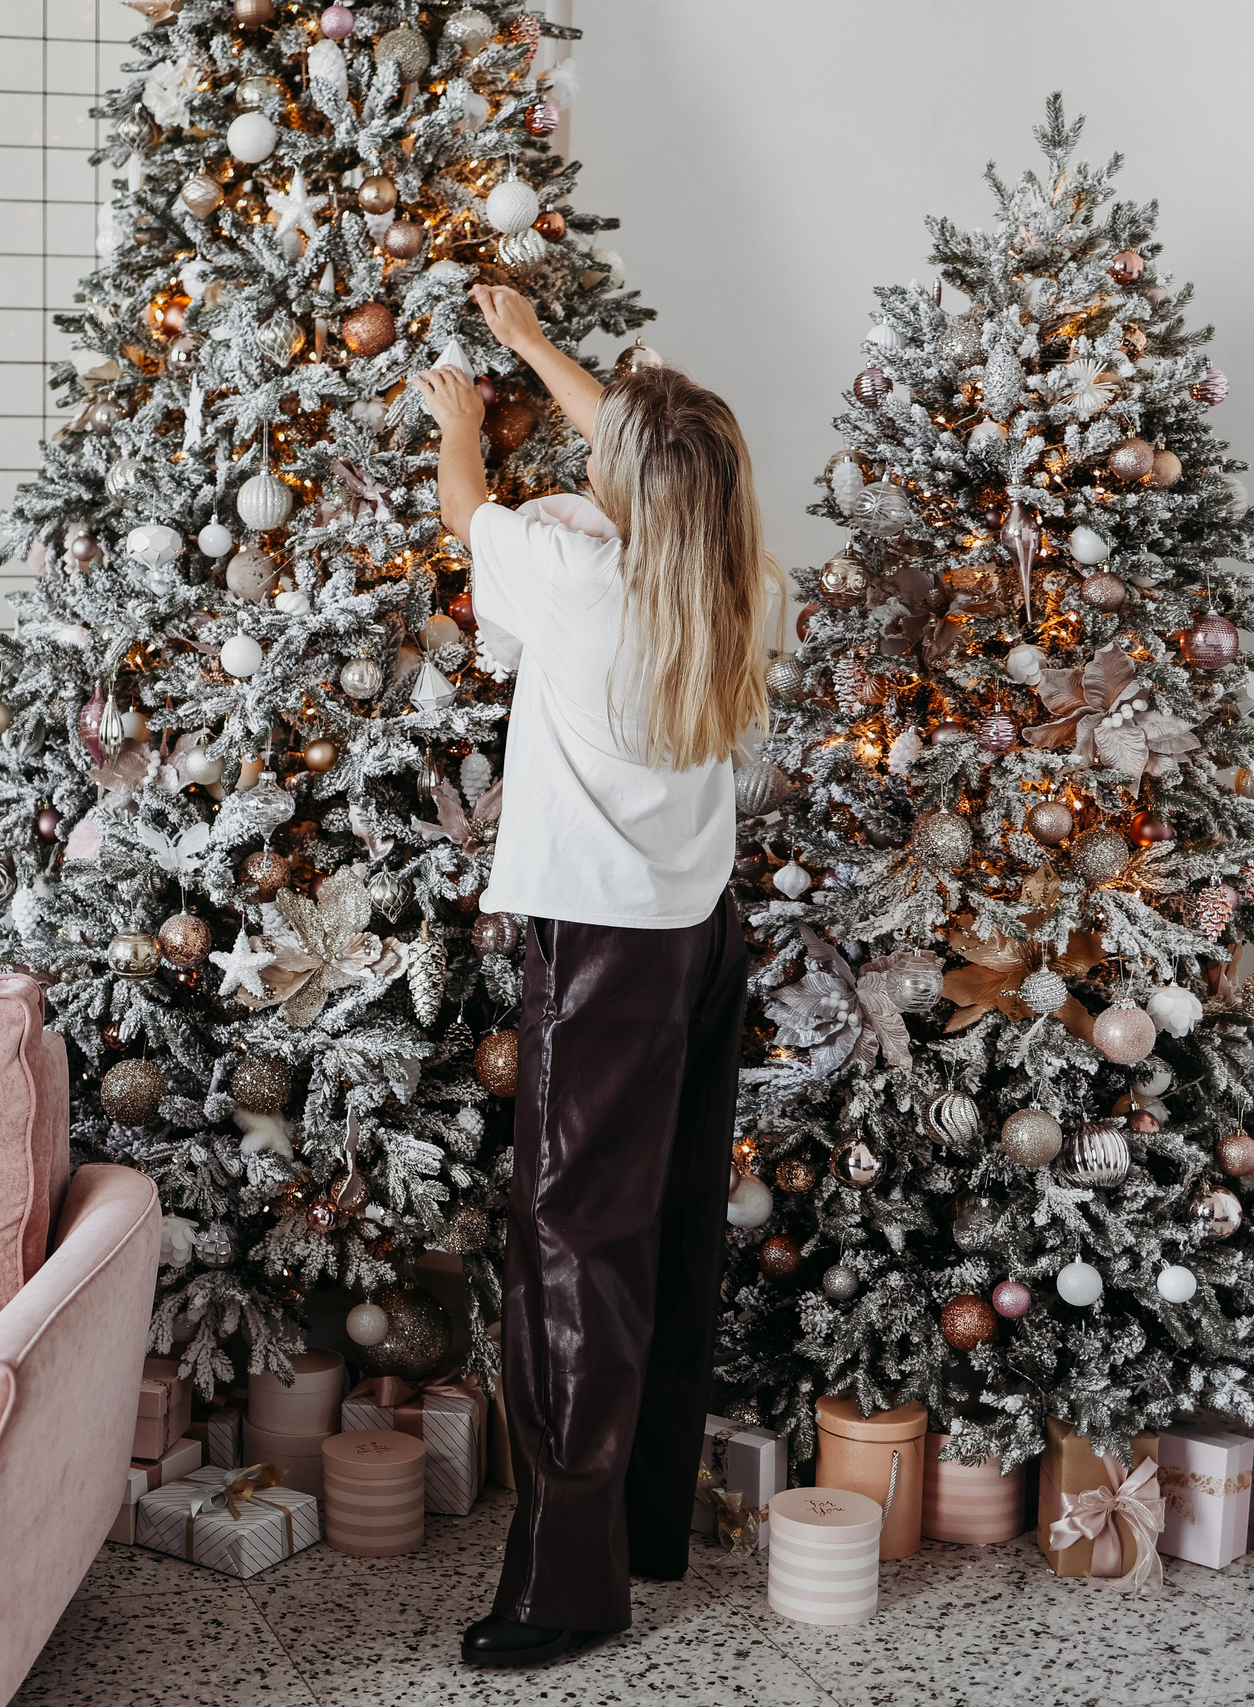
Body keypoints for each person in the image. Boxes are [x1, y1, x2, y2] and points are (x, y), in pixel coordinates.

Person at [410, 286, 774, 1670]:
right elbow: (658, 451)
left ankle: (567, 1587)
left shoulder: (572, 580)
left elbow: (466, 510)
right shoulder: (728, 572)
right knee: (669, 1226)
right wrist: (534, 350)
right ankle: (644, 1527)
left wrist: (465, 420)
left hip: (597, 952)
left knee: (568, 1251)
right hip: (697, 940)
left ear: (627, 488)